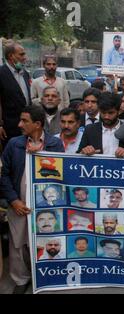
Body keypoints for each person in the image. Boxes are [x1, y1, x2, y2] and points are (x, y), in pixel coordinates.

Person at [0, 105, 64, 293]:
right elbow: (3, 175)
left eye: (24, 121)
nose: (19, 124)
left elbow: (61, 173)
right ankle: (20, 281)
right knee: (18, 244)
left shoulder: (54, 144)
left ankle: (44, 277)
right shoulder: (14, 144)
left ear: (37, 124)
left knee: (45, 241)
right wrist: (14, 201)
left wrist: (40, 155)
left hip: (46, 204)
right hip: (19, 203)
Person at [77, 92, 124, 157]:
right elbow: (79, 154)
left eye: (110, 113)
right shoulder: (90, 130)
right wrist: (84, 151)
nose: (106, 117)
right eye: (103, 113)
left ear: (119, 111)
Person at [0, 41, 32, 146]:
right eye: (21, 54)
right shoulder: (2, 73)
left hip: (26, 129)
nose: (25, 57)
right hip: (8, 130)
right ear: (11, 56)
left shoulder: (25, 74)